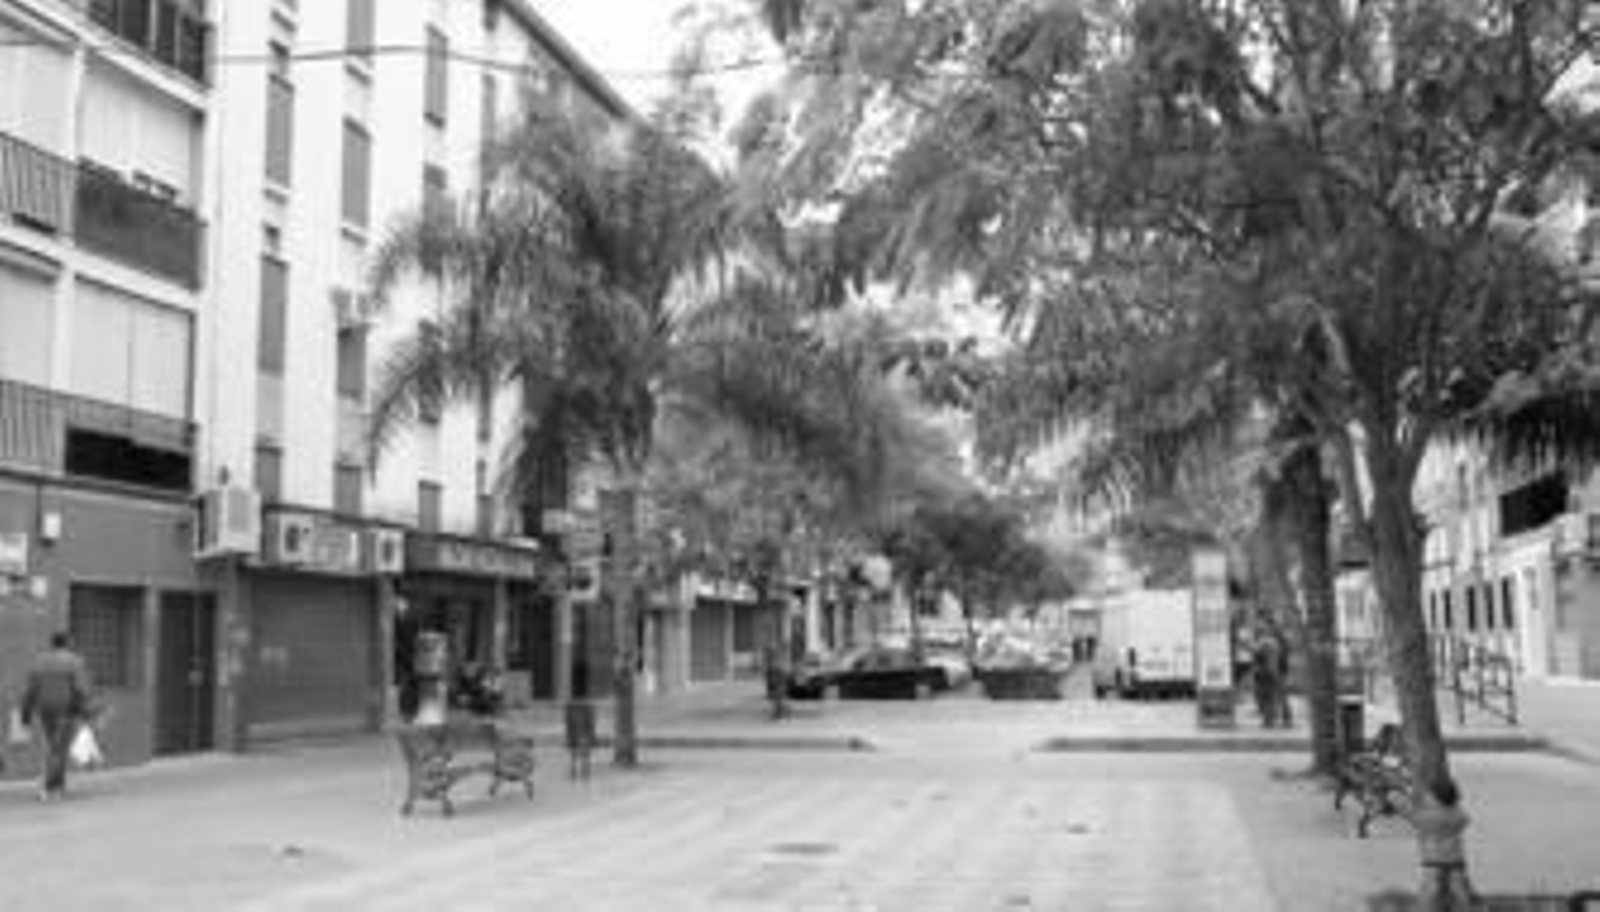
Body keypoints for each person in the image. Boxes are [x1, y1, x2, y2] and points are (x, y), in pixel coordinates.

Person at [20, 632, 94, 801]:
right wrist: (86, 710)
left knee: (55, 746)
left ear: (52, 644)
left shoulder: (39, 661)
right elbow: (81, 688)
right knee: (58, 748)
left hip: (44, 710)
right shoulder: (74, 661)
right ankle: (48, 788)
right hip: (65, 709)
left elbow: (30, 690)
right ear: (67, 643)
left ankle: (59, 786)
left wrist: (26, 714)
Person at [1413, 778, 1473, 910]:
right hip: (1455, 858)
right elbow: (1466, 821)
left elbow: (1416, 822)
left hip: (1433, 859)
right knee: (1460, 891)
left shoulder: (1429, 815)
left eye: (1429, 796)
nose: (1425, 797)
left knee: (1428, 892)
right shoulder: (1457, 814)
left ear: (1437, 798)